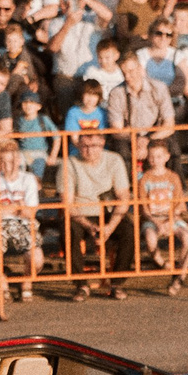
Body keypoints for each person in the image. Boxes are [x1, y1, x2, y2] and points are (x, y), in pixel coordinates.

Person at [59, 127, 133, 299]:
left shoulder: (114, 160)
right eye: (84, 146)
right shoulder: (68, 163)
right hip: (80, 213)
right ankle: (81, 284)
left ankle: (117, 283)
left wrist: (110, 226)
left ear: (102, 144)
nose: (89, 150)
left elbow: (124, 196)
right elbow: (67, 203)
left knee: (129, 231)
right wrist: (88, 224)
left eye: (94, 145)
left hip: (108, 212)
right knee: (67, 230)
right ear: (78, 145)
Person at [0, 140, 43, 313]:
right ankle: (3, 282)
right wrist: (18, 207)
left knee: (37, 260)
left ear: (19, 162)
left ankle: (26, 281)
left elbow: (30, 213)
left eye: (11, 162)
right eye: (3, 162)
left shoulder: (28, 179)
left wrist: (5, 209)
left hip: (24, 224)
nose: (7, 167)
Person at [133, 140, 188, 294]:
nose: (155, 160)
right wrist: (157, 222)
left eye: (159, 156)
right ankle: (162, 264)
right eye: (152, 156)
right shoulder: (145, 178)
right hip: (152, 218)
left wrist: (170, 221)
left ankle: (180, 275)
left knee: (187, 237)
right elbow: (144, 208)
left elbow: (178, 204)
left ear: (166, 157)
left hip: (172, 217)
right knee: (150, 238)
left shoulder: (173, 177)